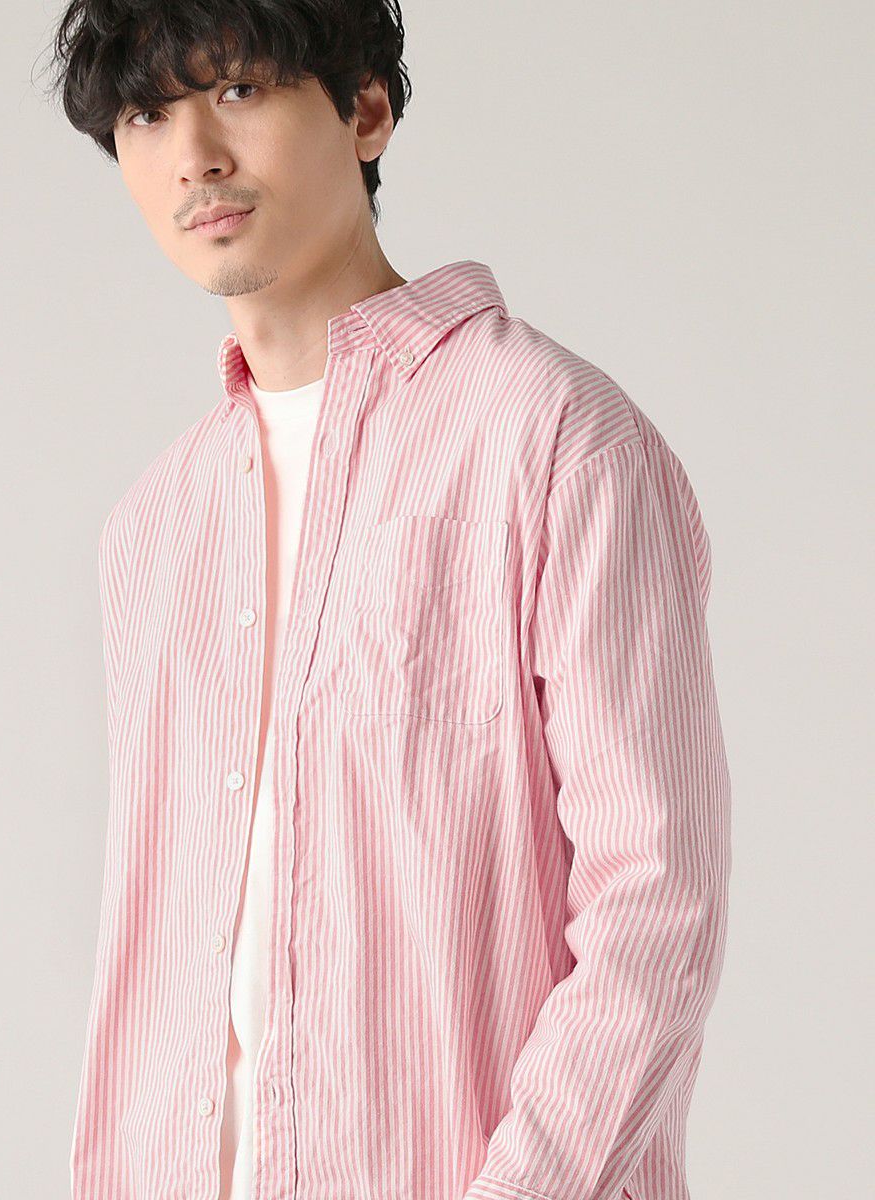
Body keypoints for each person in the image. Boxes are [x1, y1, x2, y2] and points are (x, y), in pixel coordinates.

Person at [47, 3, 732, 1199]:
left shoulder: (552, 438)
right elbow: (160, 957)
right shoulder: (154, 527)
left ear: (364, 110)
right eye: (147, 115)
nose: (193, 154)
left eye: (239, 89)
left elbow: (655, 898)